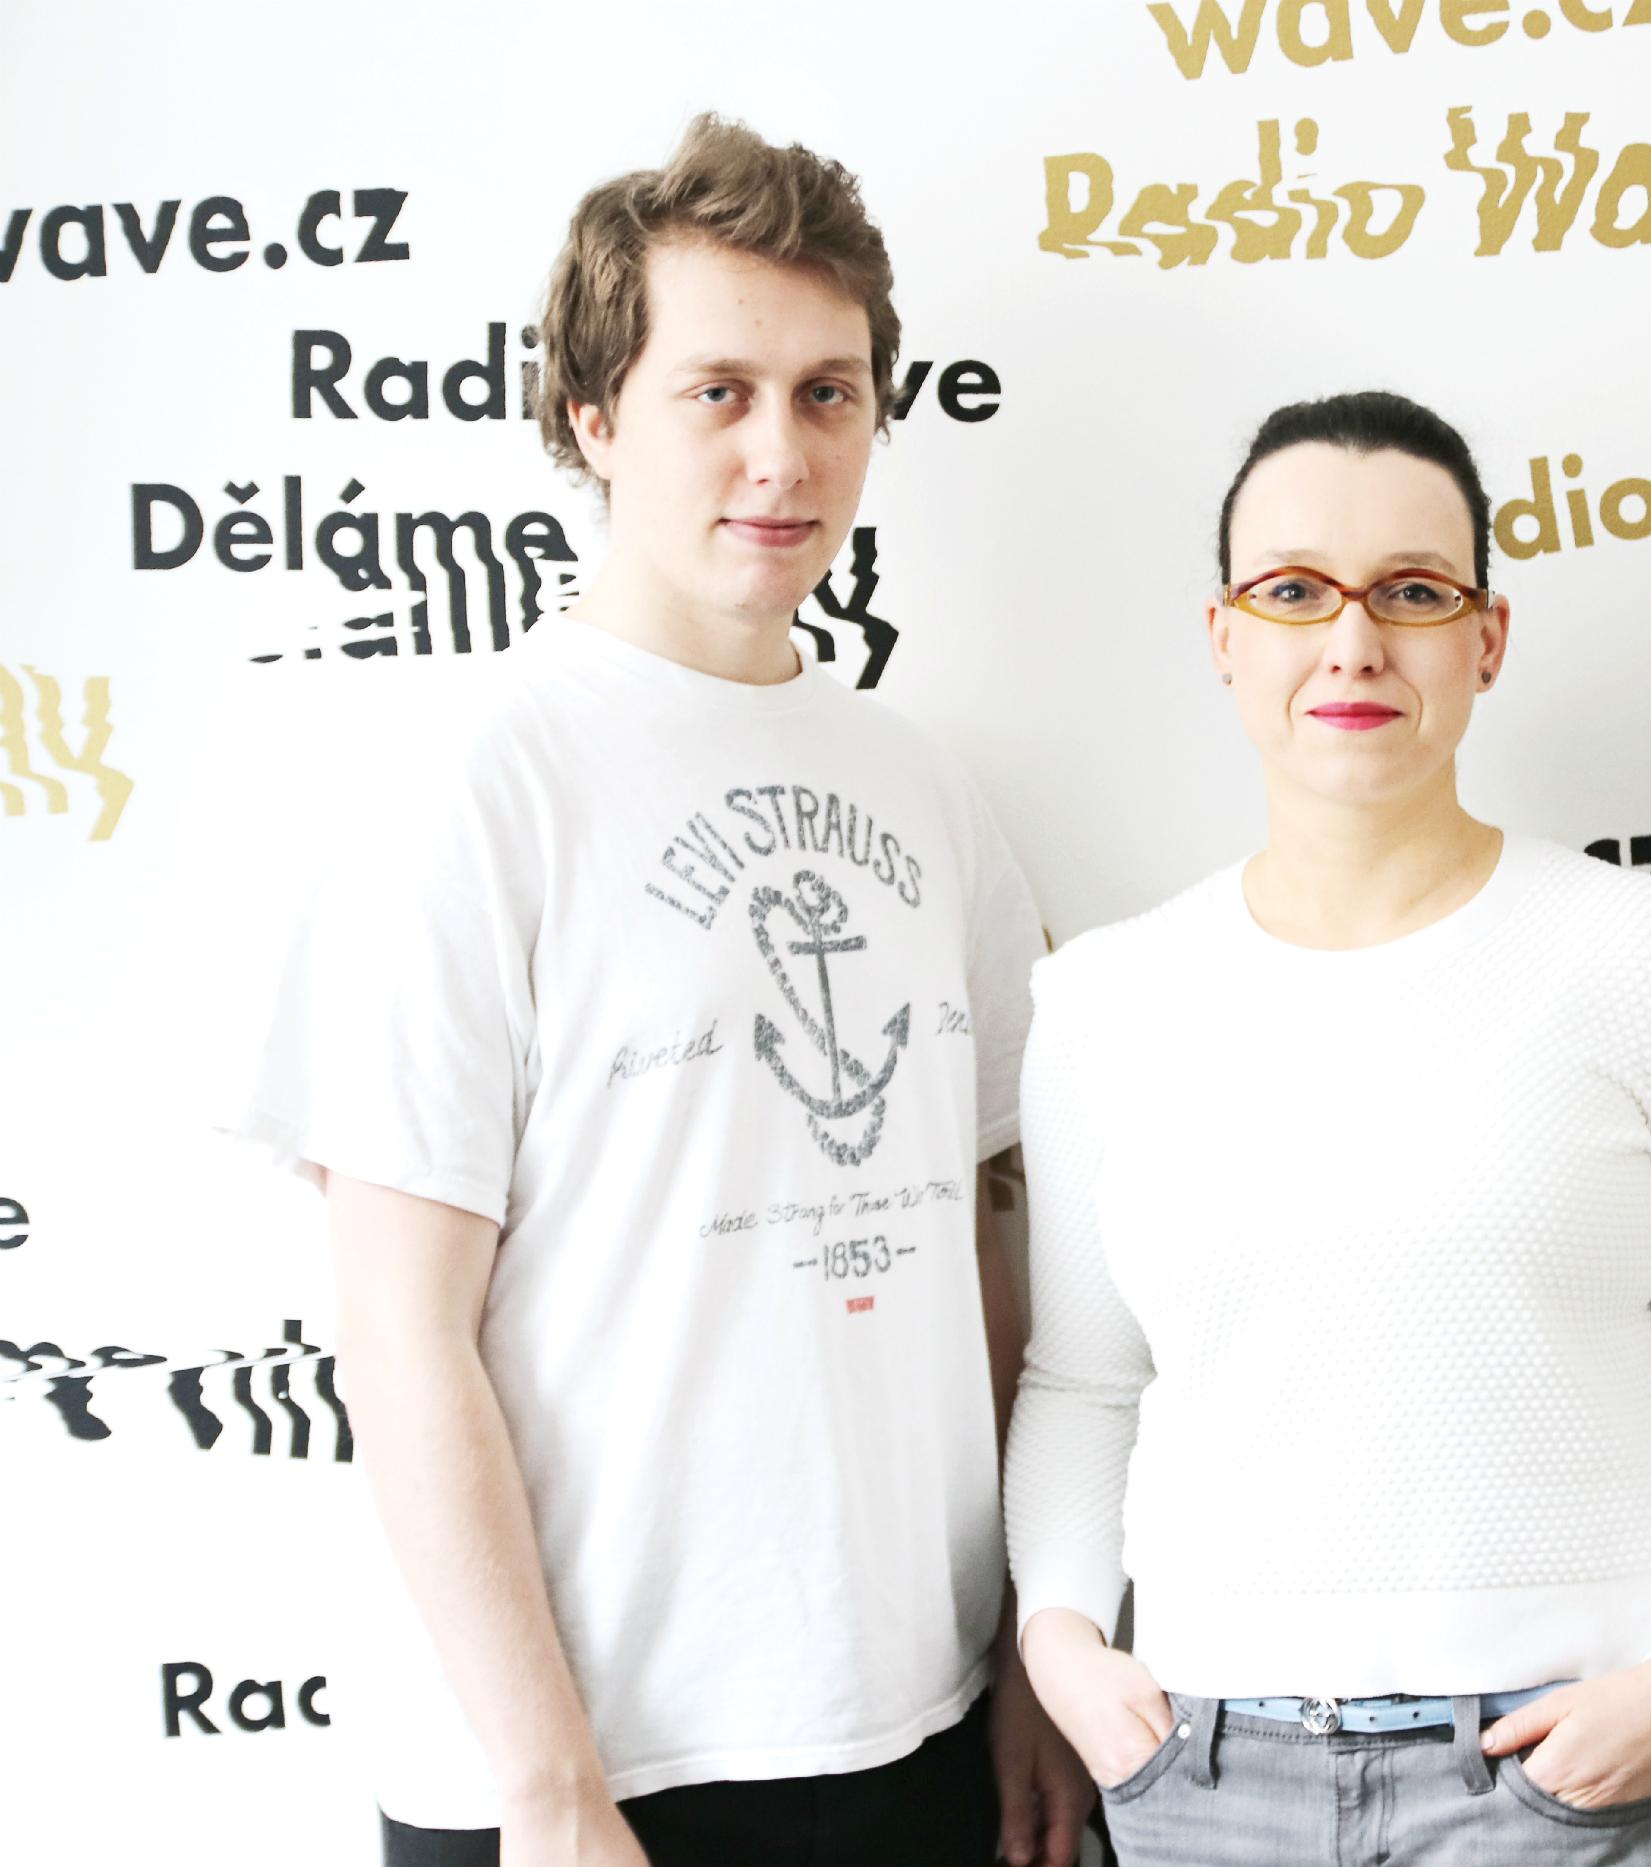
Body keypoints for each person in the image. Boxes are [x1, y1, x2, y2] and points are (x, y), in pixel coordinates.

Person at [223, 115, 1089, 1867]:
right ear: (595, 417)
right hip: (591, 1766)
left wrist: (1024, 1652)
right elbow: (399, 1332)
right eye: (718, 392)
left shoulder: (926, 790)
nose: (782, 454)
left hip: (916, 1721)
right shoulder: (471, 787)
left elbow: (990, 1251)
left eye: (829, 394)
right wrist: (547, 1785)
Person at [1002, 390, 1651, 1866]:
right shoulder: (1105, 1000)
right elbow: (1081, 1383)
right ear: (1224, 637)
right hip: (1205, 1781)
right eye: (1294, 592)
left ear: (1488, 637)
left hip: (1564, 1777)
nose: (1352, 643)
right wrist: (1064, 1645)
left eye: (1411, 592)